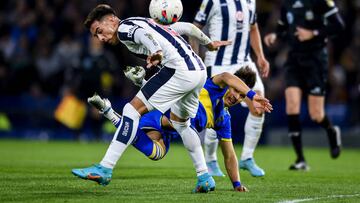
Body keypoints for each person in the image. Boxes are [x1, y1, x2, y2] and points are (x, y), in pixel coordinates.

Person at [71, 4, 214, 192]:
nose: (101, 38)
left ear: (112, 20)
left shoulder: (123, 29)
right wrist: (209, 43)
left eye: (99, 31)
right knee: (181, 124)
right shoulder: (144, 20)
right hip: (199, 71)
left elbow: (142, 36)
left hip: (179, 71)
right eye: (96, 36)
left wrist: (157, 51)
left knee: (131, 111)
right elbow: (187, 27)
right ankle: (204, 176)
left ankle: (105, 168)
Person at [87, 65, 272, 192]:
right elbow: (226, 76)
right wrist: (250, 93)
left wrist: (237, 184)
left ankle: (110, 112)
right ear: (232, 85)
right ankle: (143, 84)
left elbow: (230, 155)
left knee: (156, 154)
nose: (236, 97)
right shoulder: (214, 87)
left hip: (167, 129)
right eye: (236, 91)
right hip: (162, 114)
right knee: (182, 116)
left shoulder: (224, 119)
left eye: (241, 97)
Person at [191, 0, 270, 177]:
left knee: (259, 107)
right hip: (218, 63)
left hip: (244, 62)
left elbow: (254, 27)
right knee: (215, 112)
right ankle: (210, 160)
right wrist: (195, 59)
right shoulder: (212, 2)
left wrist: (261, 56)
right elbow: (195, 28)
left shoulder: (250, 2)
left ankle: (247, 157)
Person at [264, 0, 345, 170]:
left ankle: (331, 131)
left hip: (316, 60)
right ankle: (300, 159)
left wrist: (313, 33)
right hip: (294, 60)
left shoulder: (321, 2)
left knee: (316, 114)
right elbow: (283, 25)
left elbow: (338, 25)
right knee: (292, 105)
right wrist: (275, 35)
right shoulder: (287, 4)